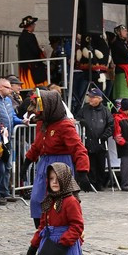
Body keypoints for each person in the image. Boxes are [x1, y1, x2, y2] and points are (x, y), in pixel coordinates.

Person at [25, 89, 92, 226]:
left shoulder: (65, 125)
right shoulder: (42, 123)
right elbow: (37, 145)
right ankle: (41, 231)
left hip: (61, 165)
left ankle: (60, 231)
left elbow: (78, 149)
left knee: (61, 202)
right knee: (37, 199)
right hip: (44, 164)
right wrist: (27, 161)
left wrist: (82, 171)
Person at [0, 78, 23, 203]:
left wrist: (22, 121)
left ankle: (5, 191)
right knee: (0, 167)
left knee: (8, 166)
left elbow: (13, 117)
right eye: (8, 87)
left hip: (8, 138)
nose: (11, 90)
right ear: (0, 87)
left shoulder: (8, 100)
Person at [77, 85, 114, 189]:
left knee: (100, 163)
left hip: (100, 141)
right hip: (88, 141)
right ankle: (91, 183)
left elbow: (111, 125)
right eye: (89, 97)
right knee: (90, 163)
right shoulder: (84, 109)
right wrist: (81, 122)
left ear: (99, 98)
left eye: (93, 97)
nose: (90, 99)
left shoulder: (105, 111)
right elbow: (78, 119)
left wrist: (104, 136)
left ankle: (100, 183)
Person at [108, 25, 128, 103]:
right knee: (122, 94)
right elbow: (127, 53)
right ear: (119, 32)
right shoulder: (116, 43)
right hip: (122, 71)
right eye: (124, 30)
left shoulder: (125, 44)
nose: (126, 32)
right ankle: (120, 112)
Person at [18, 15, 48, 90]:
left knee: (26, 87)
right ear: (30, 25)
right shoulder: (30, 36)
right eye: (34, 24)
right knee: (38, 86)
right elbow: (35, 51)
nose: (34, 26)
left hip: (24, 67)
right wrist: (42, 53)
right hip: (33, 67)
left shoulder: (21, 36)